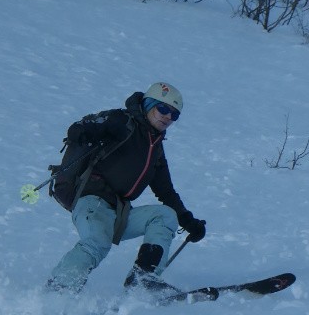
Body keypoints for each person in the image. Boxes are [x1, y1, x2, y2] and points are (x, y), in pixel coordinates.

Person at [45, 81, 206, 295]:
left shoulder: (155, 148)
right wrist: (81, 131)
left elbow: (166, 191)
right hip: (91, 200)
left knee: (165, 216)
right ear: (149, 105)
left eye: (174, 115)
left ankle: (143, 279)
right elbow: (90, 124)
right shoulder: (122, 121)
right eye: (163, 109)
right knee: (98, 242)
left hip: (118, 211)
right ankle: (59, 288)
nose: (168, 117)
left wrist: (187, 220)